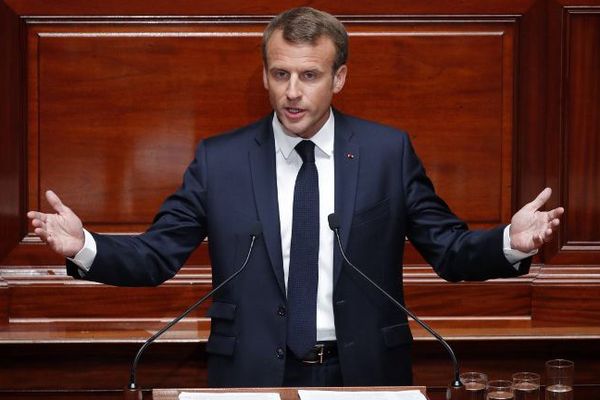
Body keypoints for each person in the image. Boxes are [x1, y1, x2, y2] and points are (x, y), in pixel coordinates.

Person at [27, 7, 563, 388]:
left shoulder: (386, 152)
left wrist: (510, 244)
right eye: (280, 74)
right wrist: (85, 247)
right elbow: (157, 254)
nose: (292, 92)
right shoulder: (222, 159)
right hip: (251, 374)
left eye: (309, 76)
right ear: (264, 74)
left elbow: (448, 249)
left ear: (340, 77)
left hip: (366, 374)